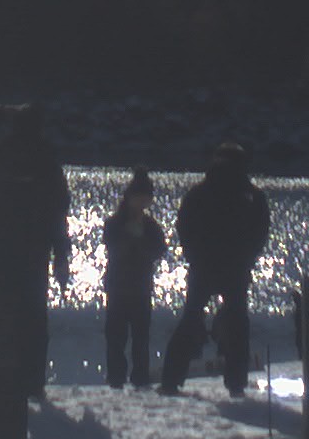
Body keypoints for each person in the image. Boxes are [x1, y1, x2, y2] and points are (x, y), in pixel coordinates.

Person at [0, 103, 73, 399]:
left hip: (2, 249)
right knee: (34, 319)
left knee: (2, 314)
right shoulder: (48, 162)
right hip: (35, 250)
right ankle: (33, 381)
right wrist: (61, 259)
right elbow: (59, 213)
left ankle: (3, 375)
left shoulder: (2, 156)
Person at [156, 142, 271, 397]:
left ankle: (172, 380)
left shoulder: (202, 193)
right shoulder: (249, 195)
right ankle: (236, 382)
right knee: (236, 321)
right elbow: (260, 232)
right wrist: (246, 257)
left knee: (194, 318)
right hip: (229, 266)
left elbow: (184, 227)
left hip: (209, 265)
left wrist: (195, 255)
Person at [99, 171, 169, 389]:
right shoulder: (115, 223)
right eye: (140, 198)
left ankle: (140, 377)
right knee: (116, 336)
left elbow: (159, 249)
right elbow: (113, 246)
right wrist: (132, 243)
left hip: (140, 287)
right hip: (119, 285)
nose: (143, 203)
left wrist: (141, 246)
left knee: (141, 337)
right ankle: (116, 377)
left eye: (146, 199)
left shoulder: (150, 226)